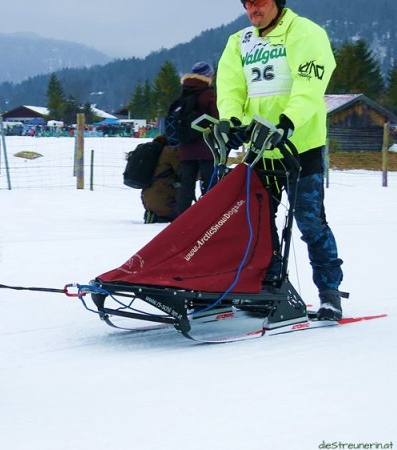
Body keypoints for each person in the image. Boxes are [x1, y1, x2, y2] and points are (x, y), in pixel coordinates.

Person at [216, 0, 343, 320]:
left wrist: (287, 123)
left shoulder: (305, 33)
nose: (252, 8)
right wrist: (231, 121)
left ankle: (329, 294)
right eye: (247, 3)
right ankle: (270, 286)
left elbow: (309, 87)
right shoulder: (240, 41)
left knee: (311, 222)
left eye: (259, 1)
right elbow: (230, 87)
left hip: (300, 146)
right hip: (260, 149)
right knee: (257, 224)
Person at [174, 61, 219, 215]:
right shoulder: (208, 93)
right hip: (206, 147)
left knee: (186, 185)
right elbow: (216, 117)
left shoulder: (185, 92)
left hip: (186, 148)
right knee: (210, 185)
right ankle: (209, 217)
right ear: (208, 76)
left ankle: (182, 218)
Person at [141, 137, 180, 224]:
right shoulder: (169, 152)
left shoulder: (150, 152)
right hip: (165, 203)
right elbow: (182, 172)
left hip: (148, 202)